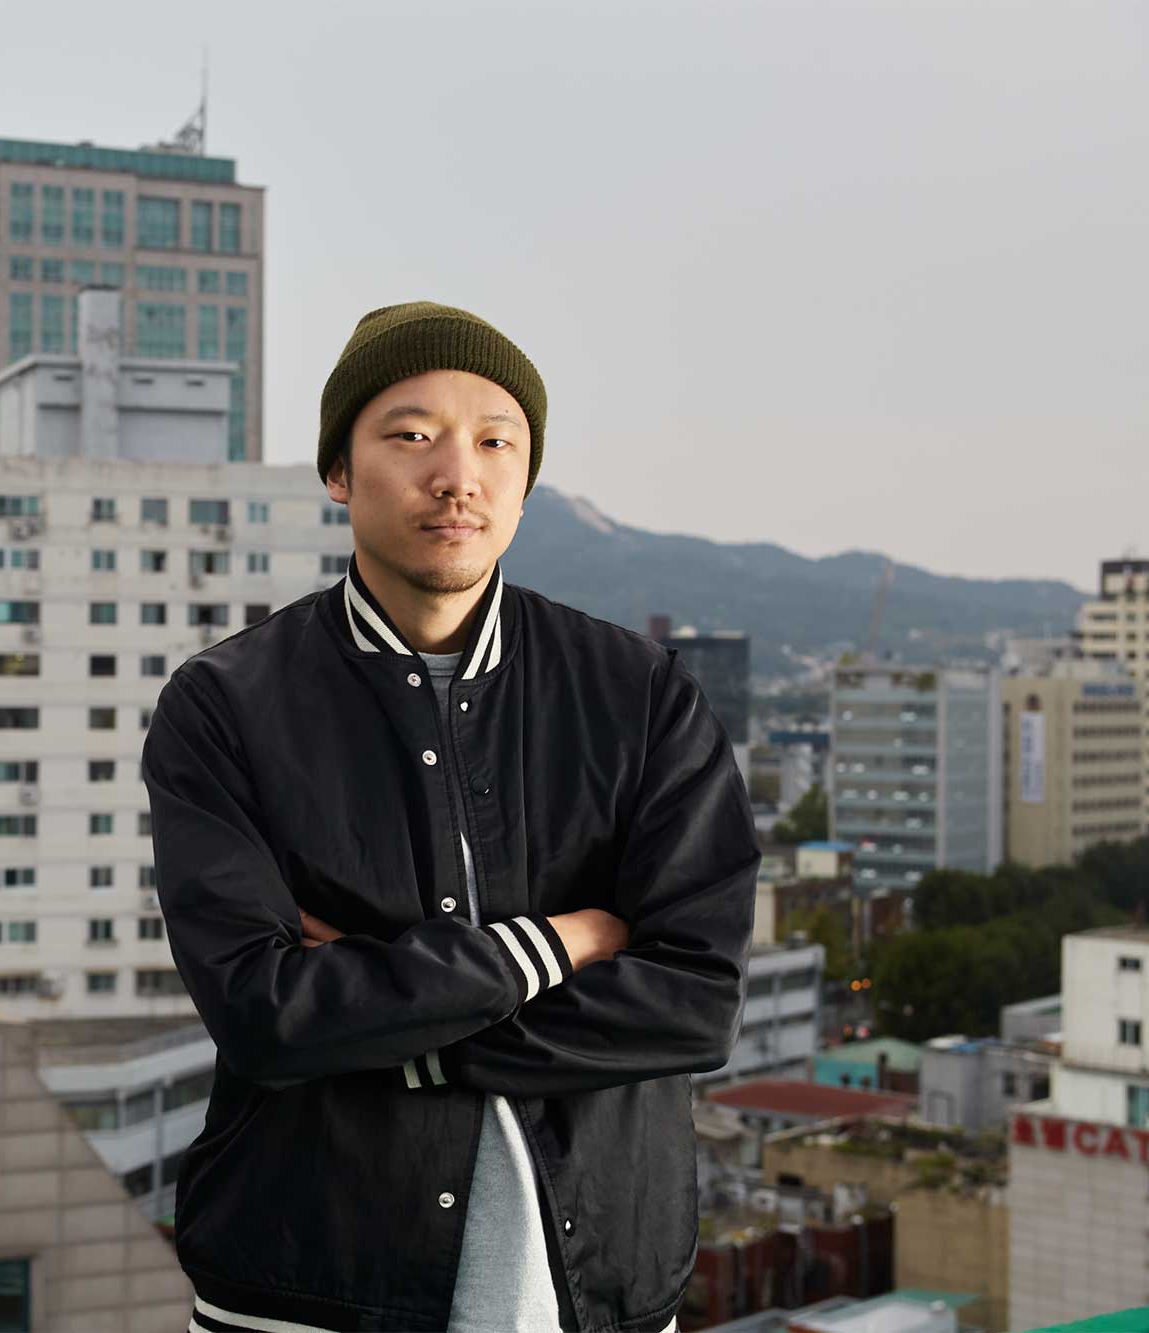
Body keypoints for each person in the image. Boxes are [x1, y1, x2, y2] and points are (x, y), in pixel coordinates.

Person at [141, 301, 759, 1333]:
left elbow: (696, 1000)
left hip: (597, 1291)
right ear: (338, 470)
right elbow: (262, 1013)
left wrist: (383, 1021)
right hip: (306, 1291)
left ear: (526, 477)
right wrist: (564, 942)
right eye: (412, 434)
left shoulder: (639, 694)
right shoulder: (226, 706)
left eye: (494, 441)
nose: (456, 475)